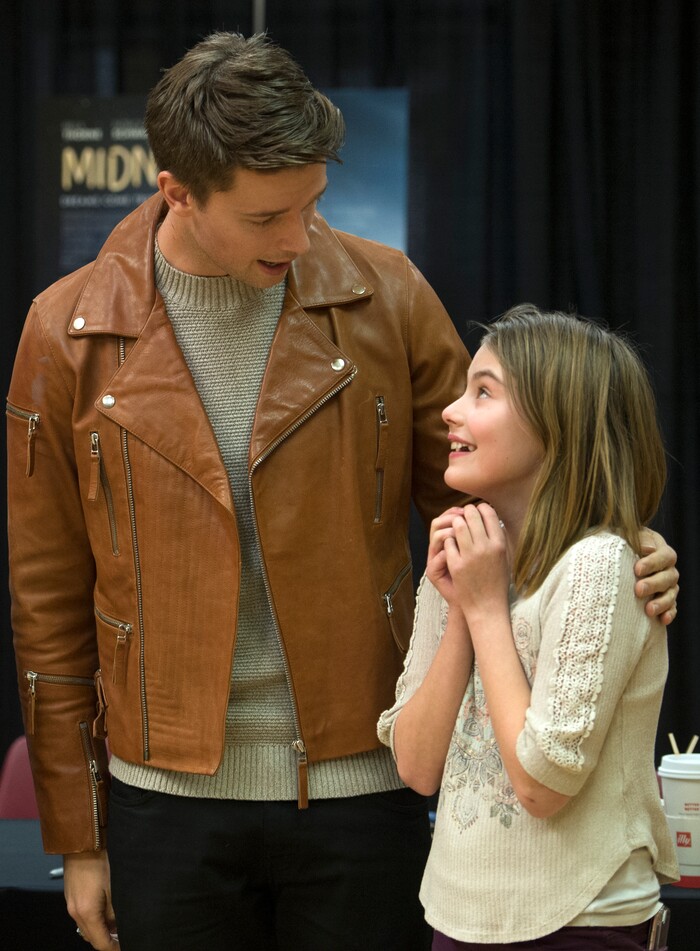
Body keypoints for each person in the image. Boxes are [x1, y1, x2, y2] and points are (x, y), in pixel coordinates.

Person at [6, 32, 678, 951]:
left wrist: (619, 540)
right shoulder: (66, 330)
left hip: (363, 788)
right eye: (267, 216)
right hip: (162, 800)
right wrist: (79, 840)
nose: (298, 236)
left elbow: (507, 474)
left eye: (313, 203)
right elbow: (47, 605)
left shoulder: (386, 294)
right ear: (177, 192)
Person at [378, 304, 679, 950]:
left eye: (482, 392)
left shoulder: (599, 565)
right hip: (459, 921)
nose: (451, 412)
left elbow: (543, 785)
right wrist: (463, 603)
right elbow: (417, 763)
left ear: (559, 423)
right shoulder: (464, 555)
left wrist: (486, 608)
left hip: (582, 923)